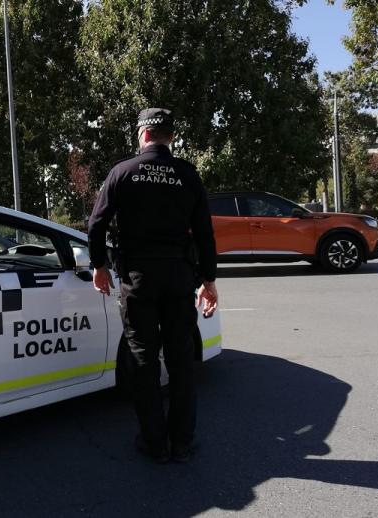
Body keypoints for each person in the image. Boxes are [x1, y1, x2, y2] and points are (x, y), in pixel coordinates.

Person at [87, 108, 218, 463]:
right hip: (179, 277)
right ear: (169, 137)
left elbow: (96, 225)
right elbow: (205, 234)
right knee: (181, 361)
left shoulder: (122, 172)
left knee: (144, 361)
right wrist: (209, 281)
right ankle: (183, 442)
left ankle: (153, 443)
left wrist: (99, 266)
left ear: (143, 135)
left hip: (138, 280)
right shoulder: (187, 174)